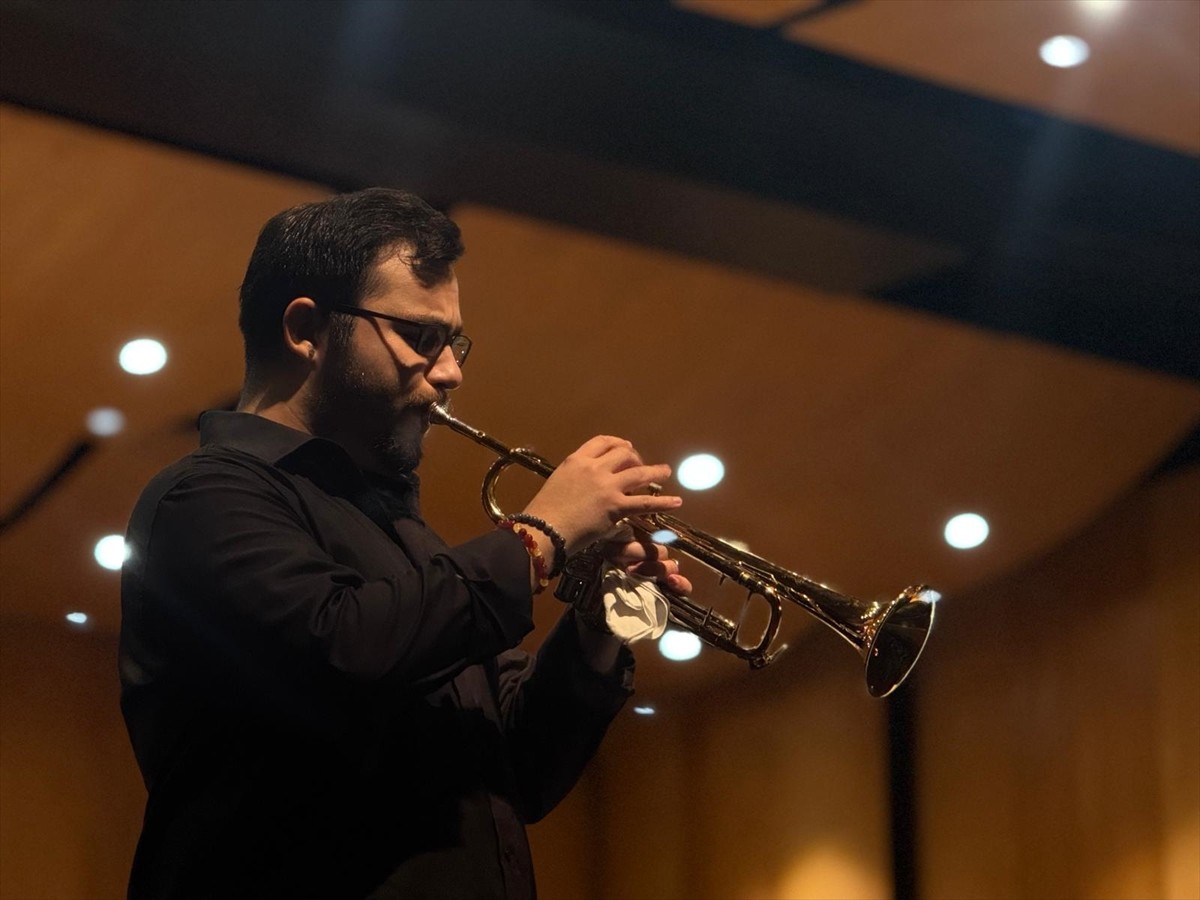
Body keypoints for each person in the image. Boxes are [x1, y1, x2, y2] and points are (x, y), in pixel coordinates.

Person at [119, 188, 692, 899]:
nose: (451, 371)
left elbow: (518, 767)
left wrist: (600, 623)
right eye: (422, 337)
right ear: (307, 329)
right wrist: (540, 535)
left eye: (454, 342)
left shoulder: (404, 533)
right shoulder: (204, 498)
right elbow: (345, 648)